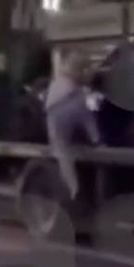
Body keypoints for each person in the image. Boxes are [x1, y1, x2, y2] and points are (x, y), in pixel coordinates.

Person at [44, 50, 101, 199]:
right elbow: (85, 116)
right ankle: (74, 188)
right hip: (68, 110)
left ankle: (72, 188)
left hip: (53, 116)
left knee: (62, 153)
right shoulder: (75, 89)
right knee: (85, 118)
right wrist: (95, 139)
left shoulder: (58, 82)